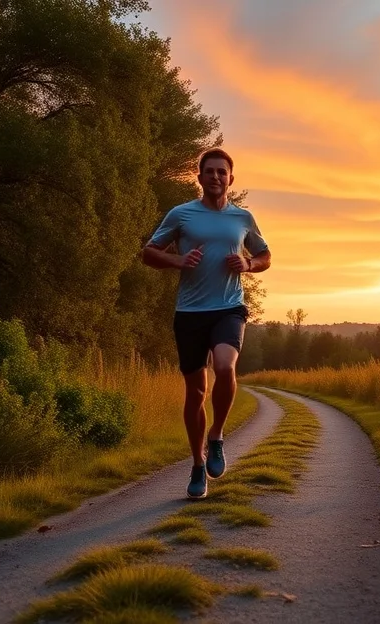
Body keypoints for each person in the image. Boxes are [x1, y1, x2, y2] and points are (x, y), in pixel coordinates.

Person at [141, 148, 271, 499]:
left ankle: (216, 436)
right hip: (190, 312)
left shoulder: (242, 218)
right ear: (199, 178)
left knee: (226, 367)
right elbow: (148, 253)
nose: (215, 177)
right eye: (209, 172)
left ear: (231, 178)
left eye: (221, 172)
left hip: (229, 307)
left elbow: (265, 256)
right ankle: (197, 464)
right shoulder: (181, 215)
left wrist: (249, 265)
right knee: (196, 391)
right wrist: (178, 260)